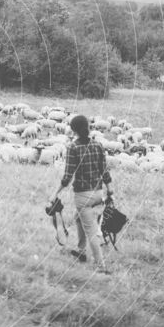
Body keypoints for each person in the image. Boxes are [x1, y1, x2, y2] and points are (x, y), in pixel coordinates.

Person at [48, 114, 113, 274]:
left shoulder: (73, 147)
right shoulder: (97, 145)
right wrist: (109, 187)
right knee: (79, 219)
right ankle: (81, 251)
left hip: (83, 195)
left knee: (91, 229)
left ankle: (101, 266)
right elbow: (104, 170)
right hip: (98, 193)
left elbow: (67, 177)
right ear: (88, 127)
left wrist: (54, 193)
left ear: (73, 130)